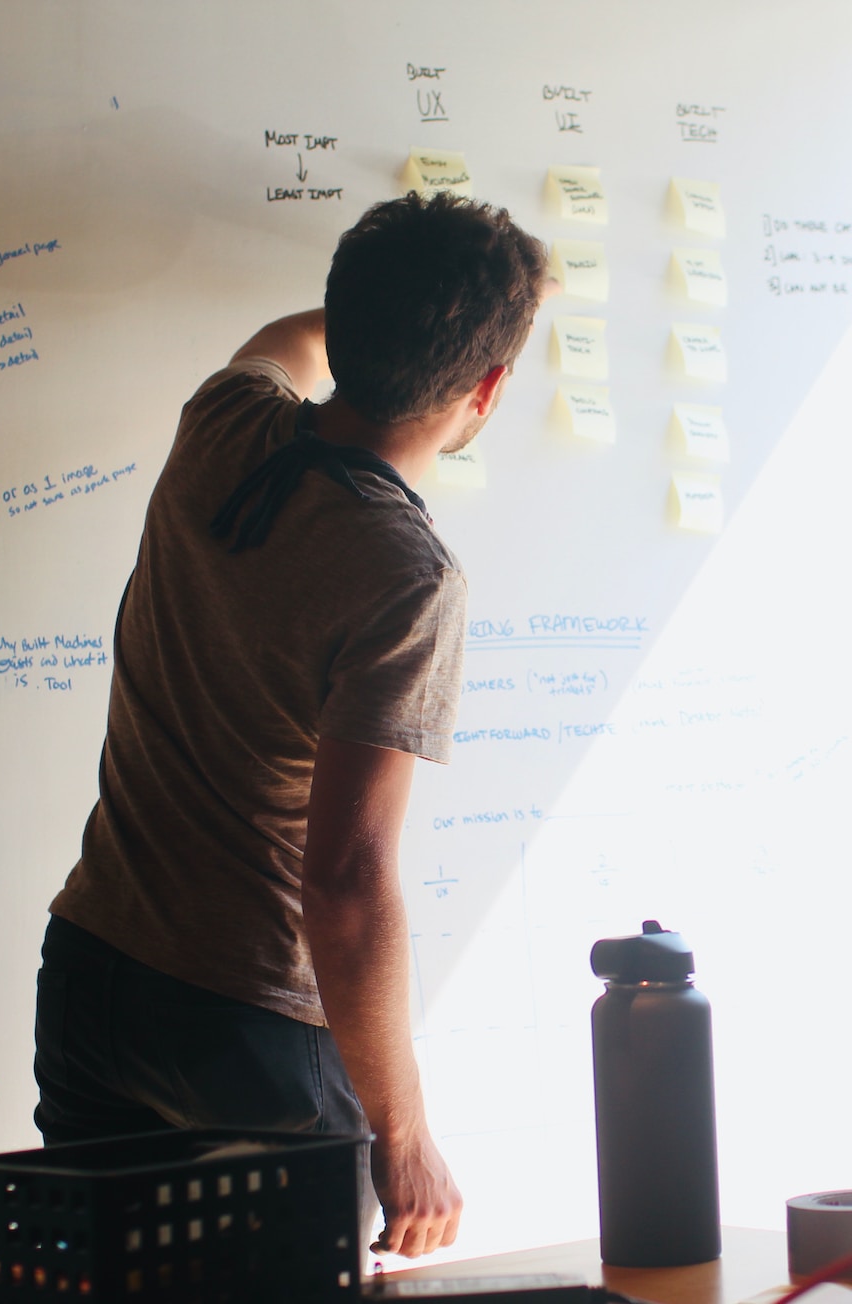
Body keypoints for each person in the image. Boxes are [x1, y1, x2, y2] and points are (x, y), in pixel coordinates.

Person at [33, 193, 551, 1258]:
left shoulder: (223, 421)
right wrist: (403, 1130)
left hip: (94, 971)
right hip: (246, 1024)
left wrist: (362, 318)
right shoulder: (407, 577)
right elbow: (349, 881)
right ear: (487, 390)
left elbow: (287, 342)